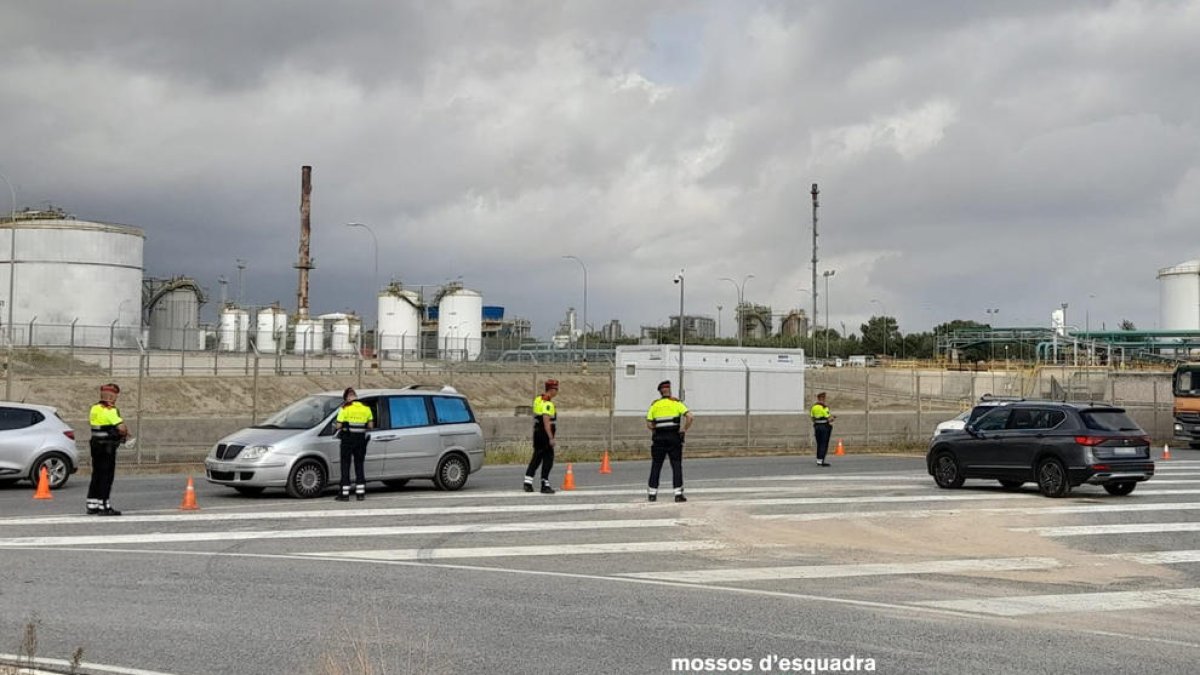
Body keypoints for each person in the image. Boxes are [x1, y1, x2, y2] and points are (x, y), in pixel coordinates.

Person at [646, 380, 692, 502]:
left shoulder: (655, 405)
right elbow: (690, 416)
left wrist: (656, 429)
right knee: (676, 465)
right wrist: (683, 429)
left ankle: (652, 494)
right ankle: (678, 494)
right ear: (669, 390)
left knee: (656, 465)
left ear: (660, 392)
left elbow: (649, 423)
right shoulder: (676, 403)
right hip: (674, 437)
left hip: (659, 438)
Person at [87, 383, 129, 515]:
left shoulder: (94, 408)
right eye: (115, 395)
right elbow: (121, 427)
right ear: (112, 396)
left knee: (97, 474)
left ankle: (92, 504)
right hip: (107, 447)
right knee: (106, 476)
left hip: (95, 445)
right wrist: (124, 433)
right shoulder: (110, 410)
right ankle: (104, 505)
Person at [334, 387, 374, 501]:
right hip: (361, 440)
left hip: (347, 440)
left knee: (345, 465)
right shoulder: (366, 408)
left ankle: (344, 494)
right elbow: (370, 426)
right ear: (355, 396)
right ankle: (360, 493)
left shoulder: (345, 408)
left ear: (347, 398)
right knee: (359, 465)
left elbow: (338, 426)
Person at [524, 379, 559, 494]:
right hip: (544, 434)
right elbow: (546, 421)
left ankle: (528, 482)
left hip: (537, 432)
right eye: (556, 389)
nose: (557, 391)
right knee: (548, 459)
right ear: (551, 390)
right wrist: (551, 438)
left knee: (536, 458)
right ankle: (545, 484)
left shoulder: (538, 399)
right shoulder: (548, 403)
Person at [811, 391, 836, 466]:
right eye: (825, 398)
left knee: (819, 443)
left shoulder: (814, 407)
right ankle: (822, 460)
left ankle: (818, 460)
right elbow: (828, 418)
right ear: (822, 398)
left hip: (816, 426)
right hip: (824, 427)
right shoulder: (824, 407)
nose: (825, 400)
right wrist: (833, 418)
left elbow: (812, 418)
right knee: (824, 444)